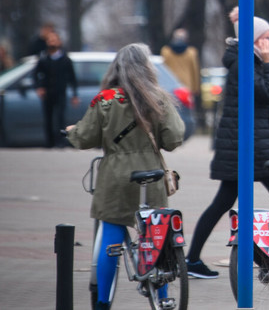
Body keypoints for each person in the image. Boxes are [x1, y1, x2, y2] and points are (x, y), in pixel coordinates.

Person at [66, 43, 186, 310]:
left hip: (115, 178)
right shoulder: (157, 97)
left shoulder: (105, 100)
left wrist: (72, 132)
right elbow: (174, 138)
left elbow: (85, 137)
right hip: (152, 177)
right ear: (147, 68)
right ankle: (162, 296)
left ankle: (103, 301)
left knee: (111, 233)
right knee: (155, 236)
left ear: (116, 67)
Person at [185, 12, 269, 279]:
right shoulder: (243, 62)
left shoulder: (248, 60)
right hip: (249, 146)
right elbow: (268, 94)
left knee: (224, 201)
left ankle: (193, 259)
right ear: (254, 40)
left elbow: (263, 92)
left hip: (249, 143)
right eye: (266, 38)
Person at [34, 30, 79, 148]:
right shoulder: (43, 58)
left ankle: (60, 142)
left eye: (54, 40)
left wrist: (75, 94)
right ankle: (49, 142)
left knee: (60, 117)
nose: (52, 42)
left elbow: (72, 78)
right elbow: (36, 74)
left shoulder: (65, 59)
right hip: (47, 93)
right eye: (50, 40)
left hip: (60, 92)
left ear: (59, 42)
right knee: (48, 117)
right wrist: (39, 87)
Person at [160, 28, 203, 130]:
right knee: (186, 112)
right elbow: (194, 70)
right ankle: (185, 129)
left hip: (170, 85)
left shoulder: (166, 51)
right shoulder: (191, 52)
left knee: (170, 110)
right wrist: (196, 87)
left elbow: (163, 68)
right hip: (186, 86)